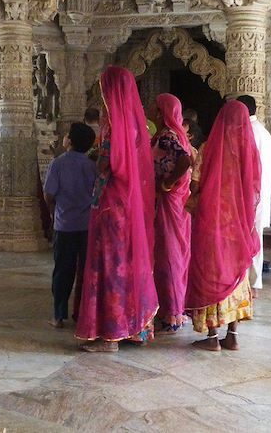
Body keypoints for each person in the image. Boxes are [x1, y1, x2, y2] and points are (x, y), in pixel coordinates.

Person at [76, 66, 159, 352]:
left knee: (109, 266)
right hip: (127, 203)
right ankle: (134, 328)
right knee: (126, 262)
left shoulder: (111, 125)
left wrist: (95, 163)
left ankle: (111, 334)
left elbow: (107, 165)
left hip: (110, 203)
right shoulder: (136, 125)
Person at [186, 101, 261, 351]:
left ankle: (211, 338)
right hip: (239, 224)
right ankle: (232, 335)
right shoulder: (248, 151)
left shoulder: (209, 149)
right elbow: (254, 189)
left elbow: (195, 184)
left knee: (211, 272)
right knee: (236, 273)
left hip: (212, 221)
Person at [44, 123, 97, 328]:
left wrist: (52, 215)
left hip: (64, 224)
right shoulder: (92, 166)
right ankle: (83, 314)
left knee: (63, 270)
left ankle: (59, 315)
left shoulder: (58, 163)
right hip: (87, 226)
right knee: (85, 271)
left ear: (70, 141)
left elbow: (49, 195)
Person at [148, 94, 193, 333]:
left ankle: (172, 311)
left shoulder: (167, 136)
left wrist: (167, 184)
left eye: (156, 108)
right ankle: (172, 308)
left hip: (170, 203)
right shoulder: (176, 135)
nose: (152, 112)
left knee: (169, 255)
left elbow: (185, 162)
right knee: (172, 253)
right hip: (174, 203)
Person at [237, 95, 271, 297]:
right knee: (255, 237)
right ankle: (254, 281)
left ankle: (248, 282)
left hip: (248, 195)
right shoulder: (264, 132)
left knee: (246, 238)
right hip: (260, 195)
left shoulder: (247, 132)